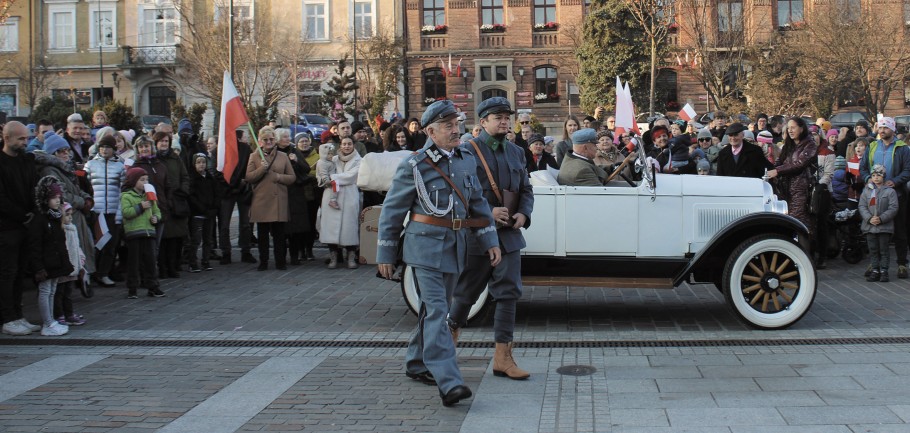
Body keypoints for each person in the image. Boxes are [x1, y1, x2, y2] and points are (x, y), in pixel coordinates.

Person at [376, 99, 501, 407]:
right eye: (448, 126)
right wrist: (385, 254)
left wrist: (490, 241)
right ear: (430, 131)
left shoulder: (464, 159)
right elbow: (392, 212)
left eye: (456, 125)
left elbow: (478, 204)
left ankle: (416, 362)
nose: (455, 130)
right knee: (437, 312)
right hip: (424, 250)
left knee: (435, 309)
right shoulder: (415, 164)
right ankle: (449, 380)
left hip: (455, 247)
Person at [449, 97, 533, 381]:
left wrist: (523, 213)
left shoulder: (517, 152)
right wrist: (488, 210)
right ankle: (446, 349)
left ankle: (503, 358)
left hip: (509, 236)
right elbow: (458, 194)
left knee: (508, 294)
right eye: (497, 117)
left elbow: (526, 188)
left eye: (507, 117)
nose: (504, 121)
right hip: (477, 236)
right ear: (482, 122)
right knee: (465, 294)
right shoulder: (466, 151)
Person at [35, 132, 97, 278]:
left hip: (76, 214)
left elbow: (75, 188)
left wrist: (86, 197)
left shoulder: (65, 168)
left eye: (67, 150)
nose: (66, 154)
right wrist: (82, 202)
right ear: (53, 153)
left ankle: (82, 276)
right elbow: (61, 194)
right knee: (71, 250)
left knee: (81, 248)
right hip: (67, 216)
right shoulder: (49, 170)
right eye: (61, 151)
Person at [0, 121, 42, 335]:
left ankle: (18, 314)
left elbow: (35, 187)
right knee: (7, 273)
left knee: (19, 274)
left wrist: (34, 212)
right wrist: (21, 215)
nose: (26, 142)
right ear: (7, 138)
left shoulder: (26, 161)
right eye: (21, 139)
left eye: (27, 138)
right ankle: (8, 318)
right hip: (7, 227)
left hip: (26, 225)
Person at [858, 117, 910, 279]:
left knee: (900, 230)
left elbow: (908, 170)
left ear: (893, 130)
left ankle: (902, 263)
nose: (882, 131)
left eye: (885, 128)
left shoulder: (903, 149)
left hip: (896, 195)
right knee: (875, 230)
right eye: (880, 128)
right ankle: (875, 263)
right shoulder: (873, 146)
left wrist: (894, 181)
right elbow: (863, 167)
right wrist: (868, 179)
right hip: (874, 195)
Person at [27, 176, 74, 336]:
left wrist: (65, 262)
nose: (57, 201)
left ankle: (51, 320)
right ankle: (47, 323)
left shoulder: (55, 217)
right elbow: (35, 245)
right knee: (45, 290)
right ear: (45, 198)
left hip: (56, 261)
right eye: (53, 197)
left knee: (53, 290)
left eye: (59, 197)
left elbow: (61, 243)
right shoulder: (40, 218)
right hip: (46, 263)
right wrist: (38, 267)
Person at [245, 126, 297, 271]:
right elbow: (248, 177)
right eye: (265, 139)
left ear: (275, 140)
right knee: (262, 236)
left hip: (278, 200)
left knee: (279, 235)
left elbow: (292, 177)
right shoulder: (254, 156)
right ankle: (264, 261)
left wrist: (278, 177)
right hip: (261, 201)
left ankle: (280, 261)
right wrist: (262, 168)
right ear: (260, 141)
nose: (269, 142)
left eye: (271, 139)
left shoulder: (283, 156)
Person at [84, 135, 126, 287]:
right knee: (96, 244)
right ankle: (92, 272)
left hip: (113, 211)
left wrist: (120, 214)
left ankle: (104, 273)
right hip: (96, 211)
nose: (104, 150)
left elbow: (123, 190)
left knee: (110, 244)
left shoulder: (120, 166)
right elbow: (84, 187)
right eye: (101, 147)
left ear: (114, 149)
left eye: (107, 147)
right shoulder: (90, 165)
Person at [766, 116, 819, 236]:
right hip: (785, 189)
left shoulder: (810, 145)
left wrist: (778, 171)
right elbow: (779, 162)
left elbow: (799, 164)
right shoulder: (788, 145)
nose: (790, 130)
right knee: (787, 221)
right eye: (788, 128)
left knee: (798, 222)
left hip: (801, 189)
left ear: (801, 128)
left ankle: (804, 251)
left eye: (793, 127)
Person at [317, 136, 361, 269]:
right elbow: (321, 171)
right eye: (344, 144)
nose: (346, 146)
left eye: (349, 144)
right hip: (331, 194)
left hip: (349, 194)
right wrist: (323, 180)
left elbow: (352, 176)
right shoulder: (333, 159)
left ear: (353, 145)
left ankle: (351, 257)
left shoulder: (359, 160)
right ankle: (333, 257)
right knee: (330, 227)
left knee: (350, 227)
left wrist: (332, 178)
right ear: (340, 146)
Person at [120, 167, 164, 298]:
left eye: (147, 180)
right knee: (134, 262)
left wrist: (156, 218)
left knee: (150, 261)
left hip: (149, 232)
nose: (145, 182)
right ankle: (132, 288)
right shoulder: (126, 196)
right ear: (134, 181)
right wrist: (140, 206)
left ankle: (153, 286)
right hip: (134, 233)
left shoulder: (149, 195)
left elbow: (157, 210)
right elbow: (126, 213)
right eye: (142, 180)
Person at [153, 131, 190, 279]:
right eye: (161, 141)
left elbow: (185, 177)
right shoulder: (153, 159)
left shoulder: (176, 158)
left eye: (166, 141)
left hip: (177, 201)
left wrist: (183, 190)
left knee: (176, 237)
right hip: (160, 202)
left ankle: (173, 266)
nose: (164, 144)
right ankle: (162, 267)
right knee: (163, 238)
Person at [276, 129, 311, 265]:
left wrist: (296, 160)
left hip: (295, 192)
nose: (287, 139)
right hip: (280, 191)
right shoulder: (274, 152)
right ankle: (281, 257)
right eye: (285, 137)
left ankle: (295, 256)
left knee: (296, 227)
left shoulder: (293, 151)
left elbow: (306, 168)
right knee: (281, 228)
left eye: (288, 136)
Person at [860, 164, 899, 282]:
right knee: (873, 249)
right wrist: (869, 218)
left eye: (879, 175)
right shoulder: (867, 190)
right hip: (869, 226)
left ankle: (884, 270)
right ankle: (875, 269)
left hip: (884, 227)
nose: (876, 177)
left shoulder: (890, 191)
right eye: (873, 175)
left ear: (884, 176)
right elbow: (862, 206)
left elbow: (893, 207)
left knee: (884, 249)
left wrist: (881, 218)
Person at [55, 202, 86, 327]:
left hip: (73, 266)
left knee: (68, 292)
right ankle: (59, 314)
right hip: (64, 267)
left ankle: (69, 314)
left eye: (70, 215)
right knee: (59, 292)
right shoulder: (61, 230)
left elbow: (77, 246)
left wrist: (81, 258)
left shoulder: (72, 228)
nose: (70, 218)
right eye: (67, 215)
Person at [188, 153, 220, 272]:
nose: (201, 164)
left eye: (203, 162)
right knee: (196, 239)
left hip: (210, 213)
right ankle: (192, 262)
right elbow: (191, 196)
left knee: (208, 239)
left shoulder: (210, 178)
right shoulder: (193, 179)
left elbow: (216, 193)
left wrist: (214, 207)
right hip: (198, 213)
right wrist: (201, 208)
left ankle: (205, 260)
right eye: (198, 162)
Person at [316, 143, 339, 209]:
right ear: (323, 154)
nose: (331, 155)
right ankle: (333, 200)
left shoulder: (329, 162)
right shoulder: (322, 163)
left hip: (331, 178)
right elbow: (323, 173)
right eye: (328, 154)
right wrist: (327, 181)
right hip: (326, 181)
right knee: (336, 185)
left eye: (332, 153)